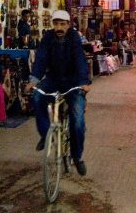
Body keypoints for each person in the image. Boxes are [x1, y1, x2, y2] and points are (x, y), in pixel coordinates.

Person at [27, 10, 91, 176]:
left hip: (73, 81)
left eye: (62, 24)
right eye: (56, 23)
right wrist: (33, 80)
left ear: (68, 25)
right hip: (53, 79)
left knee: (77, 119)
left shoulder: (74, 38)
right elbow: (41, 59)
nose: (59, 27)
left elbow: (80, 59)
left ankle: (77, 157)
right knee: (37, 96)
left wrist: (84, 81)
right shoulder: (48, 37)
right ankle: (45, 134)